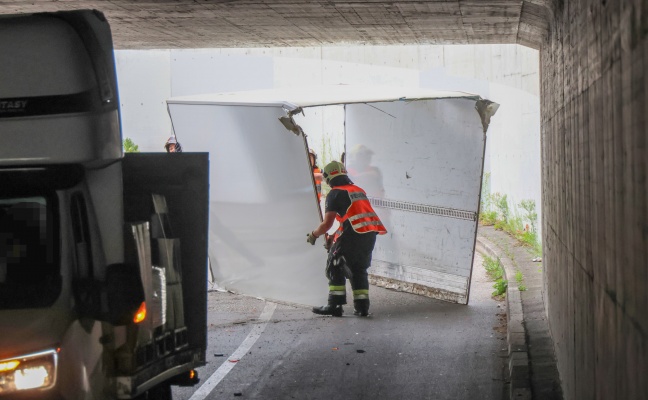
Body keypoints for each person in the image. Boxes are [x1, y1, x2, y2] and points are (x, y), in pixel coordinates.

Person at [306, 161, 387, 317]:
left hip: (354, 236)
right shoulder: (357, 190)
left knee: (335, 264)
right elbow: (350, 220)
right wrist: (334, 238)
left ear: (329, 177)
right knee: (358, 269)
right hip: (369, 234)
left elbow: (327, 223)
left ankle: (334, 306)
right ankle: (362, 307)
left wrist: (314, 234)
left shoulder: (335, 193)